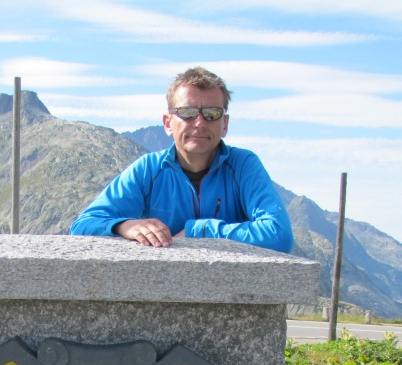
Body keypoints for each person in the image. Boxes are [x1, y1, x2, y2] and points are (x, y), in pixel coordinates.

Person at [70, 67, 293, 253]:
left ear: (224, 124)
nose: (199, 123)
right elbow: (83, 225)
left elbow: (278, 235)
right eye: (187, 112)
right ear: (168, 123)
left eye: (212, 113)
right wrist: (123, 226)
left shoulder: (244, 165)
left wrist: (200, 230)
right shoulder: (149, 169)